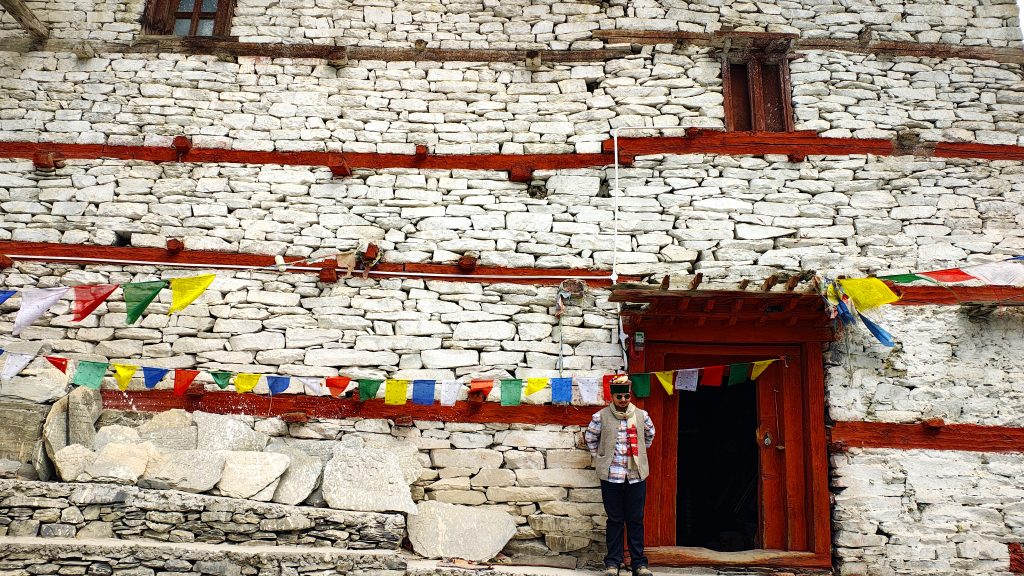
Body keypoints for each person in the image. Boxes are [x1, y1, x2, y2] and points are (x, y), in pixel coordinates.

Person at [585, 374, 656, 576]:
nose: (623, 400)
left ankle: (639, 564)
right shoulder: (600, 417)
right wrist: (600, 457)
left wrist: (640, 454)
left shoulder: (642, 415)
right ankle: (613, 563)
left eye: (626, 396)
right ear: (612, 398)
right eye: (619, 397)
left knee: (635, 520)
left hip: (636, 475)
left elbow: (650, 435)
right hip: (611, 475)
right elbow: (590, 438)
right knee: (615, 520)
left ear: (629, 396)